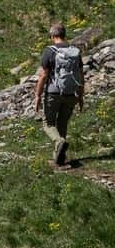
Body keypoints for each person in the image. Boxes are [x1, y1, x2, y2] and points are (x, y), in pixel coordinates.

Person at [33, 22, 85, 167]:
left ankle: (59, 142)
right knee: (62, 123)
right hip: (70, 93)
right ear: (64, 35)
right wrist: (80, 96)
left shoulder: (50, 51)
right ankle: (59, 157)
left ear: (52, 36)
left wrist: (37, 95)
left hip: (53, 93)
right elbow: (81, 75)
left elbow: (43, 76)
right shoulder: (75, 51)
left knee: (48, 123)